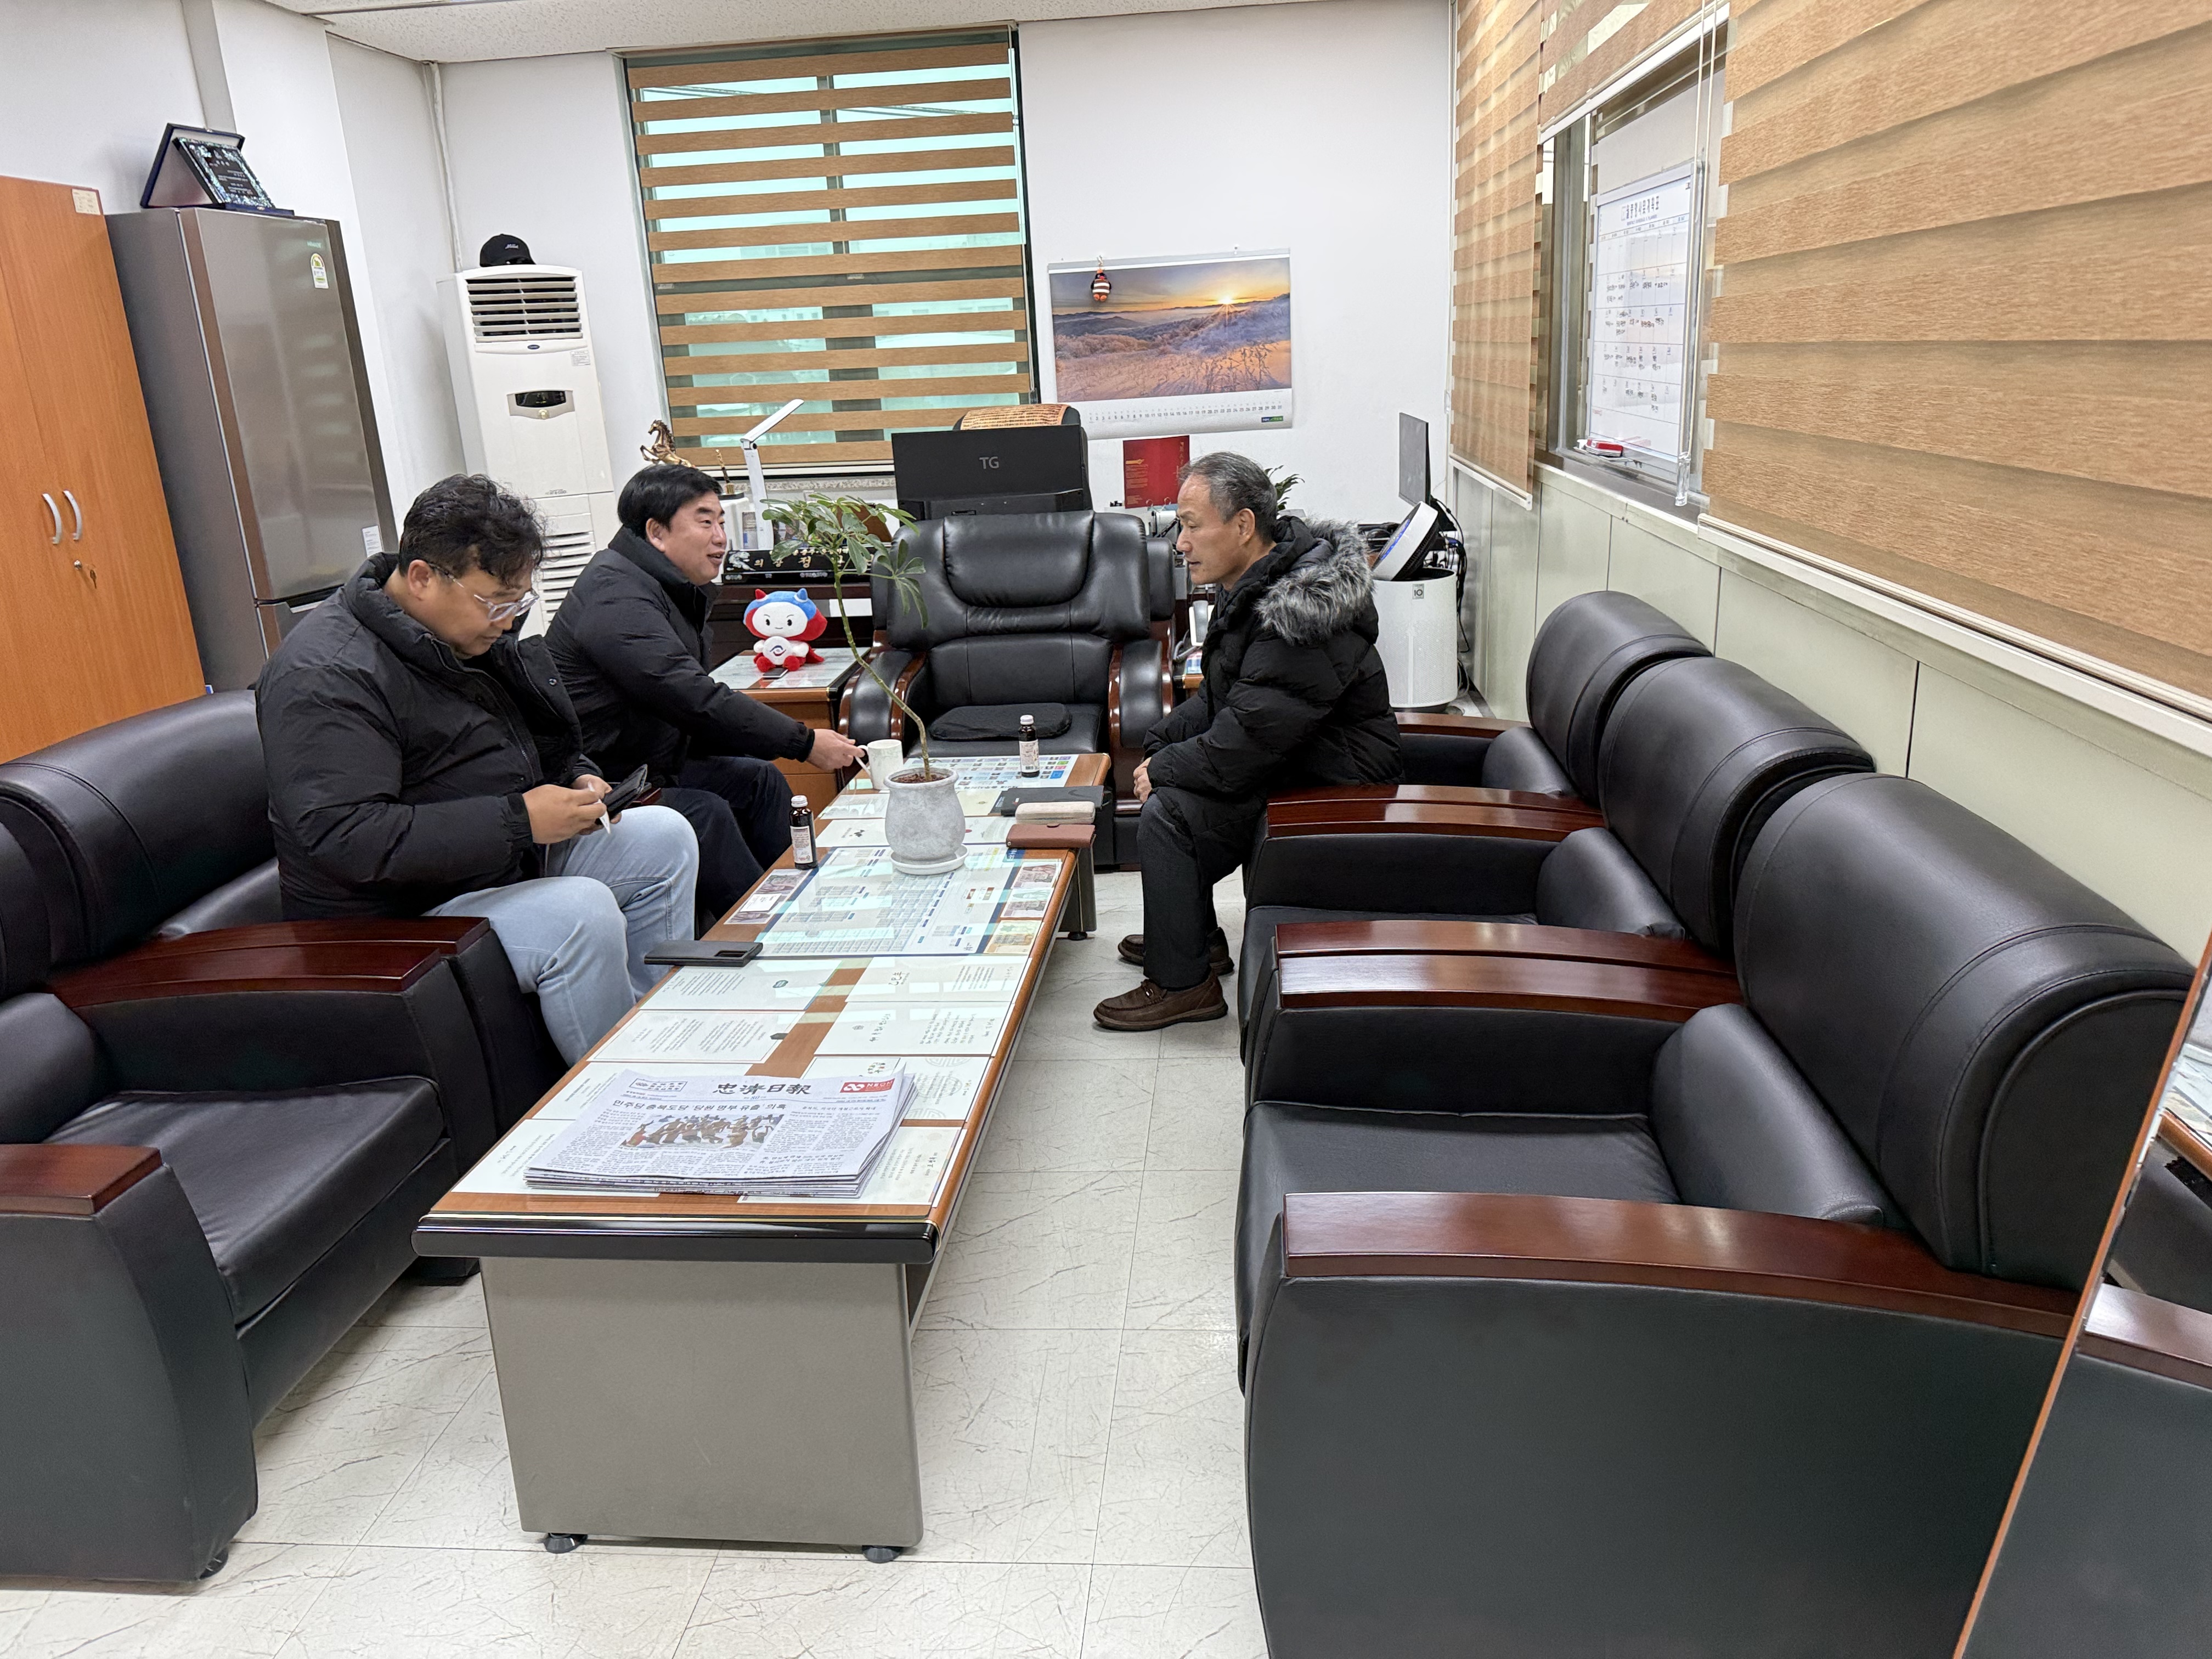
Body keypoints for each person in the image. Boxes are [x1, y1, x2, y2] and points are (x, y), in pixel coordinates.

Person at [256, 473, 699, 1064]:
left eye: (520, 603)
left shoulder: (462, 635)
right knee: (580, 913)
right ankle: (623, 1086)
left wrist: (576, 775)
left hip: (486, 866)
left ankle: (654, 1034)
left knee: (663, 836)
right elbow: (346, 838)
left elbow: (531, 738)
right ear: (422, 578)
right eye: (496, 602)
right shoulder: (327, 674)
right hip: (394, 912)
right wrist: (521, 821)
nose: (509, 620)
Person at [1094, 452, 1403, 1031]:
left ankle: (1184, 985)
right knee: (1172, 779)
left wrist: (1166, 768)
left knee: (1170, 814)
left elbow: (1249, 739)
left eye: (1192, 525)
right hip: (1293, 751)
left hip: (1337, 777)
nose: (1181, 543)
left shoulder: (1299, 613)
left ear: (1242, 526)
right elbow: (1226, 698)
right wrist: (1162, 742)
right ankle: (1195, 940)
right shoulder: (1258, 583)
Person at [549, 464, 866, 924]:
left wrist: (785, 742)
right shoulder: (615, 595)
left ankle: (804, 896)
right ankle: (764, 927)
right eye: (705, 522)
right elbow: (690, 695)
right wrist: (804, 742)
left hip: (655, 761)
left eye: (721, 521)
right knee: (707, 812)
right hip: (607, 779)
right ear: (657, 533)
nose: (721, 538)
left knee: (759, 781)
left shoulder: (662, 585)